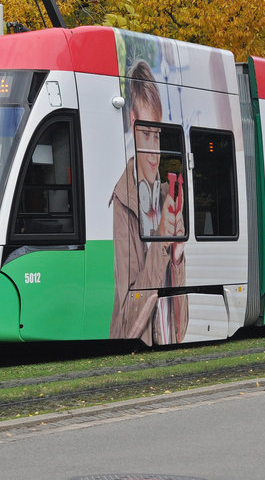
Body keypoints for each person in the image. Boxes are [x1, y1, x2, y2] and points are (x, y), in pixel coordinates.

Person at [109, 59, 188, 345]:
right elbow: (128, 324)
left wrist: (177, 257)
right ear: (132, 120)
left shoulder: (169, 196)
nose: (155, 152)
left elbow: (181, 322)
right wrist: (161, 242)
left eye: (157, 136)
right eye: (146, 134)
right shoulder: (123, 202)